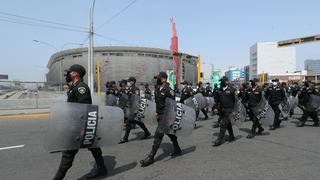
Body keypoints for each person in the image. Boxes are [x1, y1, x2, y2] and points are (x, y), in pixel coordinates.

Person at [53, 64, 107, 180]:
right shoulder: (75, 87)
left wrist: (84, 128)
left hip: (78, 126)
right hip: (76, 124)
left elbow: (85, 108)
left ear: (76, 74)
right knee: (94, 146)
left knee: (68, 155)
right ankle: (102, 168)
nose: (68, 74)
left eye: (70, 72)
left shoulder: (81, 88)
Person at [140, 72, 182, 167]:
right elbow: (158, 103)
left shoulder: (169, 90)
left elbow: (172, 105)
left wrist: (169, 117)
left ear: (163, 79)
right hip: (160, 115)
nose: (157, 80)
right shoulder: (157, 89)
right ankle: (177, 149)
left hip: (166, 115)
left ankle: (151, 157)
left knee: (158, 135)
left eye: (158, 78)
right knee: (169, 133)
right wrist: (156, 112)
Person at [119, 76, 151, 144]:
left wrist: (136, 109)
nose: (128, 83)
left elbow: (136, 99)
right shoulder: (129, 88)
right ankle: (147, 132)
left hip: (135, 108)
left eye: (129, 81)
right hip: (131, 107)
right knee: (137, 121)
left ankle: (125, 138)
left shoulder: (135, 89)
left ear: (132, 82)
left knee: (128, 122)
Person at [213, 76, 236, 146]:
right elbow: (216, 101)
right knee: (228, 124)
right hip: (222, 110)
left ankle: (219, 140)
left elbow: (235, 101)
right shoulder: (218, 90)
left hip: (229, 110)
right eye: (221, 81)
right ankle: (232, 136)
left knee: (223, 124)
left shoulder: (232, 90)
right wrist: (215, 108)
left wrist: (235, 110)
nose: (221, 82)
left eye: (223, 81)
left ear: (227, 81)